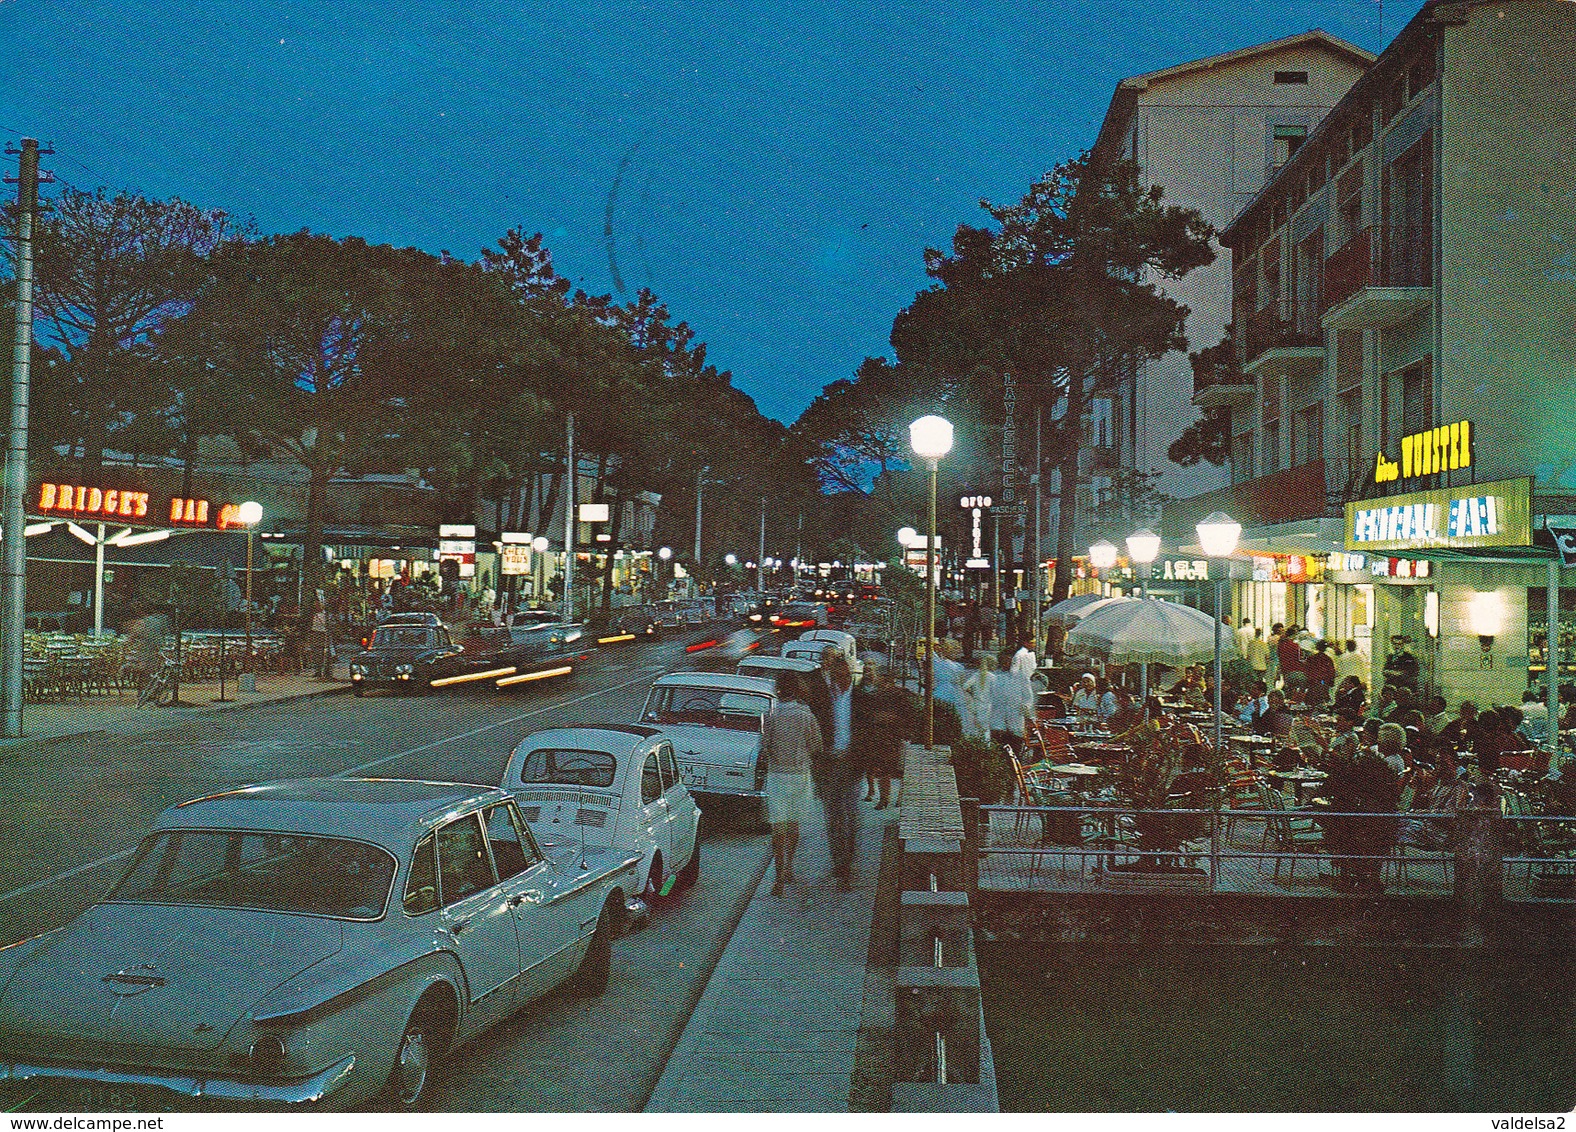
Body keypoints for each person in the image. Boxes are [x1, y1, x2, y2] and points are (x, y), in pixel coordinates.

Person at [762, 672, 822, 896]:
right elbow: (816, 745)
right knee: (794, 825)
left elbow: (765, 746)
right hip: (800, 775)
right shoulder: (806, 716)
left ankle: (777, 879)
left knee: (778, 828)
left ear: (779, 691)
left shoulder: (772, 715)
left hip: (777, 776)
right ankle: (788, 867)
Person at [810, 650, 860, 890]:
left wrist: (855, 752)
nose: (841, 681)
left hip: (851, 765)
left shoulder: (860, 699)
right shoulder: (822, 699)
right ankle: (839, 863)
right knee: (833, 818)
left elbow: (866, 733)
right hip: (828, 764)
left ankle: (847, 864)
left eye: (845, 676)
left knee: (850, 817)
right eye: (836, 676)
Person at [856, 663, 911, 809]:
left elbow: (907, 716)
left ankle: (890, 798)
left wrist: (891, 719)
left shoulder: (901, 694)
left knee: (891, 769)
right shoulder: (874, 695)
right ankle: (883, 798)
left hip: (893, 737)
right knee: (881, 769)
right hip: (878, 736)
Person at [989, 647, 1035, 761]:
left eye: (1009, 661)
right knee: (999, 744)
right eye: (1003, 661)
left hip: (1015, 715)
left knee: (1015, 743)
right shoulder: (994, 676)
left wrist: (1024, 708)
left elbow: (1028, 697)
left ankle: (1015, 768)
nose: (1006, 663)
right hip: (998, 715)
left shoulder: (1021, 677)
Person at [960, 655, 995, 740]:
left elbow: (964, 686)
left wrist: (972, 693)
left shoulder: (976, 675)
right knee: (986, 729)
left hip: (977, 704)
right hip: (988, 706)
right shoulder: (993, 677)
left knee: (976, 728)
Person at [1304, 640, 1337, 706]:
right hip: (1324, 683)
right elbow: (1331, 672)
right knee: (1322, 703)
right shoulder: (1328, 659)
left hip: (1313, 683)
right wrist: (1331, 682)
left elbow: (1306, 671)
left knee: (1311, 703)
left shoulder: (1311, 658)